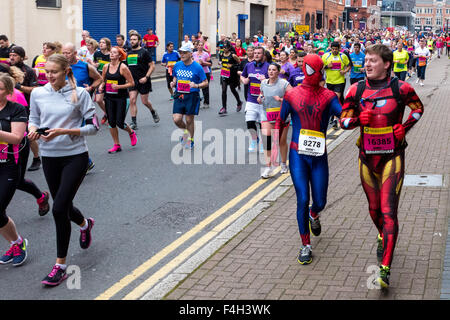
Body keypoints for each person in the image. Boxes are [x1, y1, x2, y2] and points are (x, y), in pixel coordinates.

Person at [339, 44, 424, 288]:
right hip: (367, 158)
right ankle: (382, 235)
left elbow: (418, 109)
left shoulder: (402, 88)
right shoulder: (356, 90)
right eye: (365, 60)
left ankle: (385, 268)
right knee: (374, 210)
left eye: (372, 60)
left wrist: (404, 127)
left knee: (388, 211)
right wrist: (356, 120)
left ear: (386, 64)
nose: (366, 64)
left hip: (392, 157)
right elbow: (342, 121)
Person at [28, 54, 99, 286]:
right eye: (46, 71)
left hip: (75, 157)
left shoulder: (80, 94)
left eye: (53, 72)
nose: (48, 76)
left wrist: (65, 132)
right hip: (50, 157)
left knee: (58, 209)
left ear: (65, 71)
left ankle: (60, 265)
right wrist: (33, 129)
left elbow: (94, 127)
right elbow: (33, 118)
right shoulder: (38, 93)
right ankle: (85, 225)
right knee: (64, 205)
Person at [274, 54, 342, 265]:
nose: (314, 72)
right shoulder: (292, 94)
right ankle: (305, 245)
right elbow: (281, 120)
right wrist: (277, 148)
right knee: (302, 198)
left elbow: (345, 117)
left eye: (317, 69)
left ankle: (314, 214)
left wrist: (357, 113)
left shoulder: (329, 96)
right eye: (311, 68)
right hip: (298, 155)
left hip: (319, 156)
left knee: (320, 201)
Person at [0, 63, 50, 217]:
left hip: (16, 149)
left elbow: (22, 129)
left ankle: (41, 197)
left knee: (17, 180)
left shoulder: (17, 98)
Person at [0, 73, 29, 267]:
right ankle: (15, 243)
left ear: (9, 91)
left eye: (0, 88)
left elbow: (17, 138)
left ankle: (18, 243)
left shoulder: (16, 109)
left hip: (8, 166)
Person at [170, 45, 208, 150]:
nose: (181, 55)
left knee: (189, 119)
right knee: (176, 119)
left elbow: (205, 82)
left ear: (190, 54)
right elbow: (175, 76)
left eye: (184, 52)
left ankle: (190, 139)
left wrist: (196, 85)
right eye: (180, 52)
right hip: (179, 94)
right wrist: (173, 82)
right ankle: (186, 132)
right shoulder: (177, 65)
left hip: (192, 96)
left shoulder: (197, 67)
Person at [100, 47, 137, 153]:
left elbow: (132, 83)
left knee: (119, 123)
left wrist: (118, 87)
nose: (111, 54)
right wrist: (101, 86)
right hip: (109, 97)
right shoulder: (106, 66)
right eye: (111, 52)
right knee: (111, 122)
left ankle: (131, 132)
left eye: (114, 53)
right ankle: (117, 144)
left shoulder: (123, 67)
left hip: (121, 98)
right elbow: (103, 80)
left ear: (119, 55)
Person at [258, 63, 292, 178]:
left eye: (273, 70)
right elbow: (261, 95)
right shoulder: (263, 83)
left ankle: (283, 164)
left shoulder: (284, 84)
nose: (271, 72)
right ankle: (268, 167)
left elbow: (293, 97)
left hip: (281, 116)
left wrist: (281, 99)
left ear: (278, 72)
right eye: (269, 70)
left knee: (281, 141)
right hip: (267, 115)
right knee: (267, 140)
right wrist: (259, 98)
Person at [126, 33, 159, 130]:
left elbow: (152, 66)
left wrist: (146, 77)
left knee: (144, 102)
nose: (132, 41)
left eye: (134, 39)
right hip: (133, 81)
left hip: (144, 80)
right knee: (132, 100)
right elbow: (127, 67)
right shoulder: (128, 53)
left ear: (139, 41)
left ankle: (153, 111)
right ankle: (134, 122)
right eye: (131, 39)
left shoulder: (144, 52)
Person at [240, 46, 270, 153]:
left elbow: (275, 82)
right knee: (249, 122)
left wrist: (266, 80)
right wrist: (244, 80)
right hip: (251, 99)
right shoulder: (248, 66)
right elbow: (242, 76)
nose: (256, 55)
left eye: (259, 53)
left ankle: (262, 142)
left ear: (263, 55)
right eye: (255, 53)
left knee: (262, 124)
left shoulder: (268, 67)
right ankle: (254, 139)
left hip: (263, 101)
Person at [218, 42, 242, 116]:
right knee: (224, 90)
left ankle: (239, 102)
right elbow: (221, 61)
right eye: (223, 48)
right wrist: (220, 62)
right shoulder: (221, 54)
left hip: (232, 75)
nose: (224, 49)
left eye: (225, 47)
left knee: (232, 89)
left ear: (229, 48)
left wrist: (232, 65)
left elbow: (239, 63)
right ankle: (224, 108)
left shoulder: (233, 55)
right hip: (224, 74)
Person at [93, 38, 111, 124]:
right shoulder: (97, 53)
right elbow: (94, 63)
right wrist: (95, 65)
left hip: (110, 80)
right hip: (100, 79)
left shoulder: (111, 54)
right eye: (100, 42)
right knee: (99, 100)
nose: (101, 44)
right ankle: (108, 113)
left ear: (107, 44)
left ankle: (109, 115)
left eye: (103, 43)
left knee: (109, 99)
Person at [192, 41, 212, 109]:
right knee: (196, 88)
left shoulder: (206, 54)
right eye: (199, 45)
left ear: (203, 46)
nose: (200, 46)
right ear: (197, 46)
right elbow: (191, 62)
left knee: (205, 88)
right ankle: (197, 102)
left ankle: (206, 103)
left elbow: (210, 64)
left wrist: (203, 62)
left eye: (201, 45)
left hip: (205, 72)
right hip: (196, 73)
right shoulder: (194, 54)